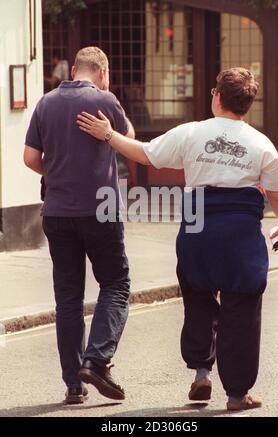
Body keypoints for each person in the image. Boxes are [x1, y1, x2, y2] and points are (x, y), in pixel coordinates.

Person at [76, 67, 278, 411]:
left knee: (198, 300)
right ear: (246, 104)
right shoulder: (261, 144)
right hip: (241, 235)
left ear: (217, 97)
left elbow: (144, 153)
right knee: (242, 310)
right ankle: (238, 394)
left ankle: (201, 372)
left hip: (198, 230)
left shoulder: (192, 133)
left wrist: (108, 134)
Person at [24, 46, 135, 405]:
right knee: (116, 283)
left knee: (68, 297)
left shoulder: (45, 103)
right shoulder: (106, 99)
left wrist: (56, 174)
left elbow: (30, 158)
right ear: (102, 73)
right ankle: (97, 359)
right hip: (100, 211)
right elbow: (129, 143)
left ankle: (74, 384)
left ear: (73, 70)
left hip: (56, 212)